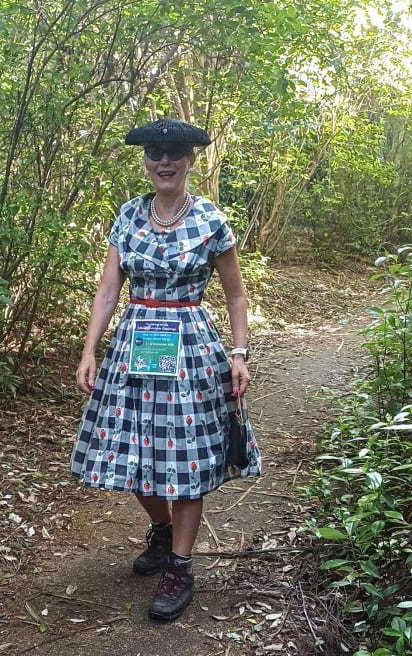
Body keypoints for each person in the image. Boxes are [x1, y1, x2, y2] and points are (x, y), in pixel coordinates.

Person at [70, 117, 262, 622]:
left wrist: (239, 354)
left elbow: (236, 295)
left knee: (187, 457)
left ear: (190, 160)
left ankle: (180, 564)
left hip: (192, 345)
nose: (165, 161)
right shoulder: (129, 216)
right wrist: (90, 349)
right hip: (135, 345)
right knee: (132, 450)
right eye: (156, 152)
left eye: (175, 153)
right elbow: (108, 289)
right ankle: (161, 529)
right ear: (146, 161)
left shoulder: (210, 221)